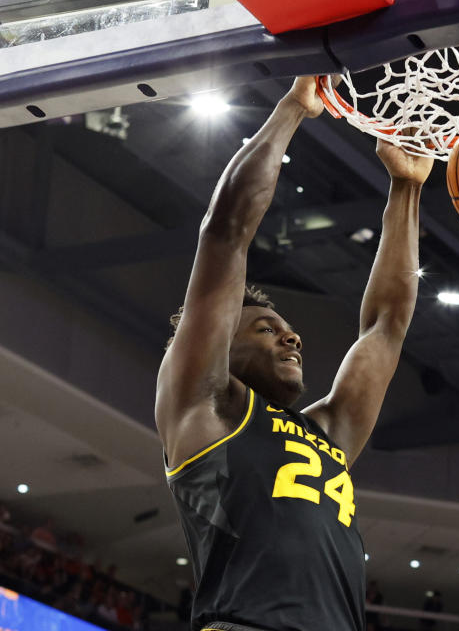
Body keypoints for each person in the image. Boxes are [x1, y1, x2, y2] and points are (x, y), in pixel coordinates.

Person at [156, 75, 433, 631]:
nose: (292, 337)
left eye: (288, 329)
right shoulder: (203, 408)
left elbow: (386, 324)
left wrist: (407, 188)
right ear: (218, 348)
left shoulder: (327, 432)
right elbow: (225, 233)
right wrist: (292, 109)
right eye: (264, 329)